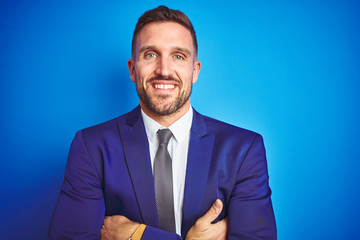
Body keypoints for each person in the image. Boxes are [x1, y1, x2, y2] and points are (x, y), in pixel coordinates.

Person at [48, 5, 276, 240]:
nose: (164, 70)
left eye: (178, 56)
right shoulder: (91, 147)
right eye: (150, 55)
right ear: (133, 69)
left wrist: (136, 235)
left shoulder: (244, 149)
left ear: (194, 71)